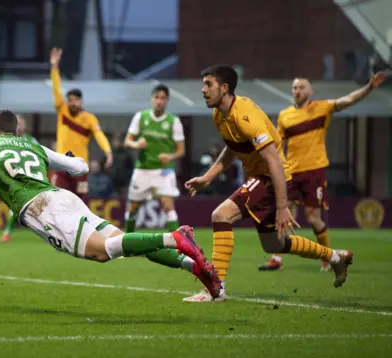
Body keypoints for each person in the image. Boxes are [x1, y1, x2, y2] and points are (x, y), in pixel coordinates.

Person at [0, 110, 222, 299]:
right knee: (125, 243)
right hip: (65, 198)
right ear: (16, 131)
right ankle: (198, 269)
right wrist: (68, 158)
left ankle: (176, 237)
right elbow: (80, 167)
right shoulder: (32, 145)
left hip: (40, 209)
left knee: (102, 253)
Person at [181, 65, 353, 303]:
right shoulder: (219, 115)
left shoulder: (245, 115)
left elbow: (274, 160)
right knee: (274, 243)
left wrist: (283, 207)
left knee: (221, 215)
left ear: (224, 88)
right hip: (262, 178)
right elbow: (233, 148)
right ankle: (336, 257)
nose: (203, 90)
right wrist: (208, 177)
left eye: (208, 84)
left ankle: (216, 288)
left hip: (272, 178)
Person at [259, 72, 388, 271]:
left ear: (310, 91)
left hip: (314, 171)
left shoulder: (322, 108)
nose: (298, 91)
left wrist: (369, 87)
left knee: (312, 218)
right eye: (295, 87)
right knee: (284, 214)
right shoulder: (285, 115)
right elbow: (278, 146)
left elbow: (348, 100)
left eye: (302, 87)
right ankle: (277, 258)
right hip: (291, 171)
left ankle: (329, 258)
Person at [49, 48, 112, 203]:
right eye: (70, 100)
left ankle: (83, 227)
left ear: (81, 101)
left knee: (81, 201)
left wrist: (108, 151)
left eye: (76, 100)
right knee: (57, 199)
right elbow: (56, 89)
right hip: (61, 162)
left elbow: (99, 135)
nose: (73, 103)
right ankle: (58, 227)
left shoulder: (89, 118)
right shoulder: (62, 110)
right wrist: (54, 67)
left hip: (79, 165)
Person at [123, 84, 185, 233]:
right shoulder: (141, 116)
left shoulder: (173, 121)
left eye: (163, 98)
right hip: (143, 169)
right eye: (157, 97)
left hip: (164, 170)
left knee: (168, 206)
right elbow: (127, 141)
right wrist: (137, 144)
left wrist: (170, 156)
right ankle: (127, 244)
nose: (159, 101)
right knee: (132, 210)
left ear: (167, 101)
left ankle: (176, 246)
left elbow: (181, 151)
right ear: (152, 99)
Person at [0, 114, 39, 243]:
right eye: (17, 123)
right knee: (14, 207)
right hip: (13, 178)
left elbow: (40, 157)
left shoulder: (31, 141)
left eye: (21, 123)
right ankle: (7, 232)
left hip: (30, 178)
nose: (19, 126)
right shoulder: (6, 140)